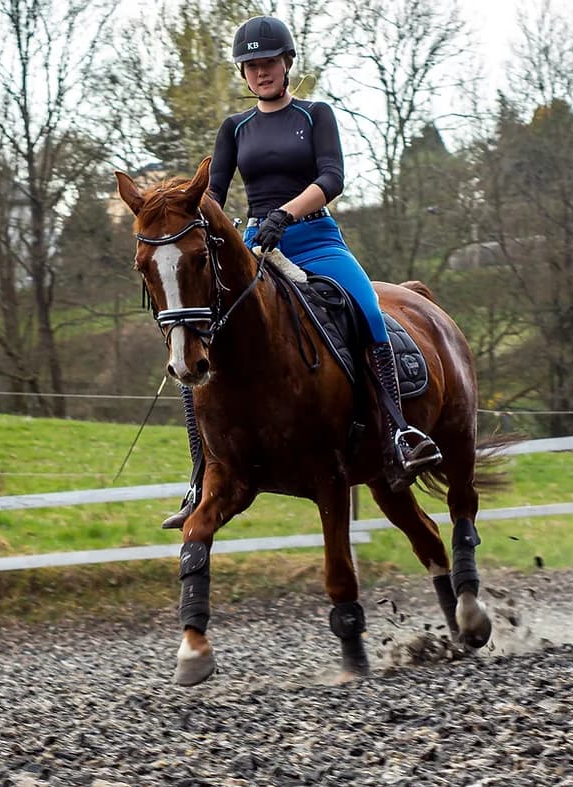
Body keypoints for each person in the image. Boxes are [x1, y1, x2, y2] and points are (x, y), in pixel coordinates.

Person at [161, 15, 442, 529]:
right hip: (254, 247)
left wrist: (285, 215)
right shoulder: (235, 129)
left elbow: (332, 176)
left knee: (369, 313)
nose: (260, 72)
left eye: (268, 62)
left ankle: (400, 433)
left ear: (286, 64)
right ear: (244, 73)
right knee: (197, 330)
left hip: (314, 239)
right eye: (251, 66)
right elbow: (213, 197)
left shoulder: (315, 115)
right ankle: (202, 471)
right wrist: (202, 233)